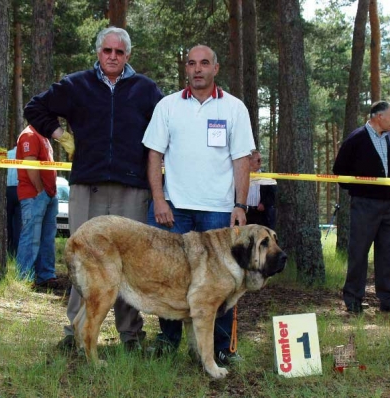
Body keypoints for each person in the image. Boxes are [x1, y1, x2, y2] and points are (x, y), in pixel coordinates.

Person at [24, 27, 163, 351]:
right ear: (98, 53)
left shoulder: (145, 89)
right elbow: (35, 108)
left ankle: (131, 336)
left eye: (119, 52)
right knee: (84, 261)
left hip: (132, 188)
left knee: (130, 265)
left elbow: (170, 124)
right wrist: (59, 134)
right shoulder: (76, 85)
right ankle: (76, 334)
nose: (113, 57)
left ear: (128, 55)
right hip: (87, 187)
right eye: (107, 51)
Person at [142, 44, 255, 365]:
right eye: (191, 63)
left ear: (216, 68)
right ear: (186, 69)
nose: (197, 69)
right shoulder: (167, 106)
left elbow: (241, 160)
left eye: (204, 63)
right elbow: (154, 154)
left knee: (223, 280)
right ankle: (168, 339)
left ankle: (220, 347)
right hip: (172, 209)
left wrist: (240, 205)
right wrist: (159, 199)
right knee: (169, 276)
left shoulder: (235, 109)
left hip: (219, 212)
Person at [332, 100, 390, 314]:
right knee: (359, 252)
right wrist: (360, 190)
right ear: (378, 117)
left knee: (389, 253)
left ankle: (389, 300)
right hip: (365, 205)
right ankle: (354, 300)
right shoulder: (356, 139)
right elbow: (339, 172)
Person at [15, 125, 58, 287]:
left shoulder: (43, 136)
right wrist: (40, 190)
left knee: (47, 237)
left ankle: (46, 274)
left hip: (48, 194)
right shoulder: (29, 135)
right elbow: (31, 164)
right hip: (34, 195)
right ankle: (24, 276)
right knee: (31, 236)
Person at [246, 150, 276, 228]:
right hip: (245, 212)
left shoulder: (266, 176)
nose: (260, 162)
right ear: (250, 161)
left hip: (261, 213)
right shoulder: (242, 175)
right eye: (258, 160)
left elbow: (272, 194)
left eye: (261, 160)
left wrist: (263, 203)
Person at [6, 145, 21, 257]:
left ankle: (8, 249)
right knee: (18, 223)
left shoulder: (7, 154)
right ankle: (16, 250)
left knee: (7, 222)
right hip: (20, 189)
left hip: (7, 190)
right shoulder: (26, 155)